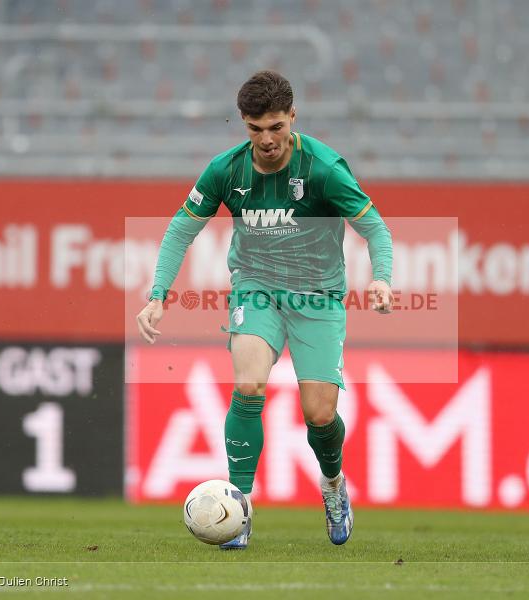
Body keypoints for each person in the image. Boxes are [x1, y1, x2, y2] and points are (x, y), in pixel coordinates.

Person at [136, 70, 393, 549]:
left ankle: (334, 485)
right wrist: (158, 294)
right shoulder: (226, 171)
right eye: (256, 129)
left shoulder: (323, 169)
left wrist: (381, 277)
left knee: (319, 414)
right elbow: (180, 229)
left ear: (292, 118)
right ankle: (241, 506)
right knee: (249, 383)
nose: (267, 139)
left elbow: (376, 229)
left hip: (318, 295)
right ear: (244, 125)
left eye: (276, 127)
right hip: (256, 290)